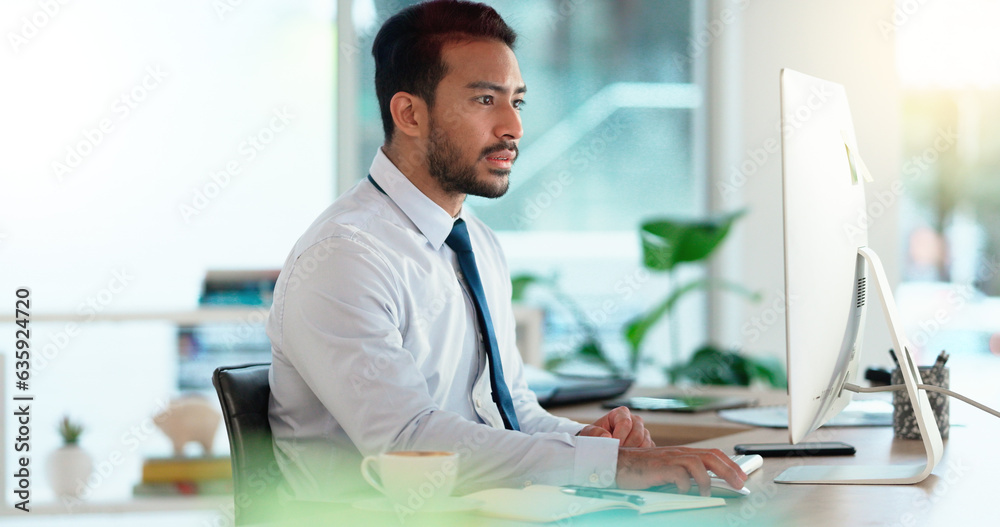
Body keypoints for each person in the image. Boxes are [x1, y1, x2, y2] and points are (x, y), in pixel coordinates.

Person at [266, 0, 746, 501]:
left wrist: (589, 444)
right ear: (409, 113)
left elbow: (509, 409)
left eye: (516, 102)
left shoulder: (476, 243)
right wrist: (605, 465)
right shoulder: (345, 258)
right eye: (484, 101)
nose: (513, 129)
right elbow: (408, 442)